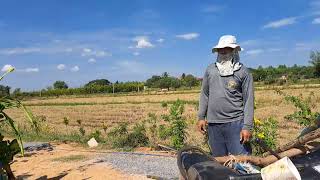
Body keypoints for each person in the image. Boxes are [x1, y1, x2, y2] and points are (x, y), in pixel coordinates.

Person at [197, 35, 254, 157]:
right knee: (219, 161)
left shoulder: (243, 71)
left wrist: (247, 126)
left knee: (243, 162)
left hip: (235, 123)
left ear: (234, 50)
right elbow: (204, 94)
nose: (223, 51)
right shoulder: (210, 70)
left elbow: (249, 100)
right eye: (220, 48)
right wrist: (201, 117)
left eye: (227, 48)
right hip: (213, 124)